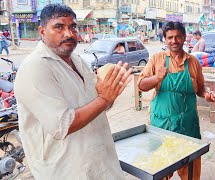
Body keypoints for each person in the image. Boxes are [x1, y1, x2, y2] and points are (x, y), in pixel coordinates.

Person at [14, 4, 132, 179]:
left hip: (100, 163)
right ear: (42, 31)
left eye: (73, 27)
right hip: (67, 170)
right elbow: (62, 125)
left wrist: (110, 91)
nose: (69, 33)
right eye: (59, 27)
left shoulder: (77, 60)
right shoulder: (35, 67)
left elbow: (98, 101)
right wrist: (105, 99)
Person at [138, 21, 215, 180]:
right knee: (160, 169)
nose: (174, 41)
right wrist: (157, 78)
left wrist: (207, 95)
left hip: (188, 126)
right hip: (162, 125)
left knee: (190, 171)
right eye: (170, 37)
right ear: (165, 39)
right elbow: (141, 85)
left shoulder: (193, 62)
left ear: (184, 38)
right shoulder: (156, 59)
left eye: (178, 37)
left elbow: (200, 88)